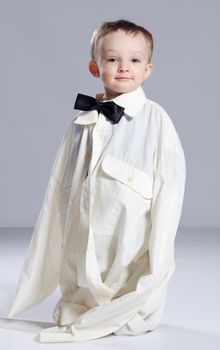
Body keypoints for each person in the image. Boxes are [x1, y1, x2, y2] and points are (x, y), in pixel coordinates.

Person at [8, 19, 186, 343]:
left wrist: (158, 264)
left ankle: (124, 305)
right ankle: (83, 299)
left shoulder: (156, 122)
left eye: (134, 60)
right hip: (84, 254)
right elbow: (58, 191)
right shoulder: (81, 122)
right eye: (112, 59)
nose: (123, 67)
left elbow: (170, 196)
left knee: (126, 280)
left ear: (147, 69)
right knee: (81, 264)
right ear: (95, 67)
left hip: (129, 257)